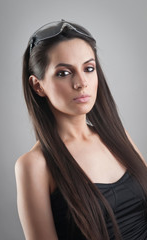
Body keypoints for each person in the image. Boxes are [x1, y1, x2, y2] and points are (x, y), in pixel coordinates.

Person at [15, 20, 147, 240]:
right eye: (64, 73)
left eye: (89, 68)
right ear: (38, 86)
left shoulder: (117, 136)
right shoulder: (34, 165)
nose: (81, 82)